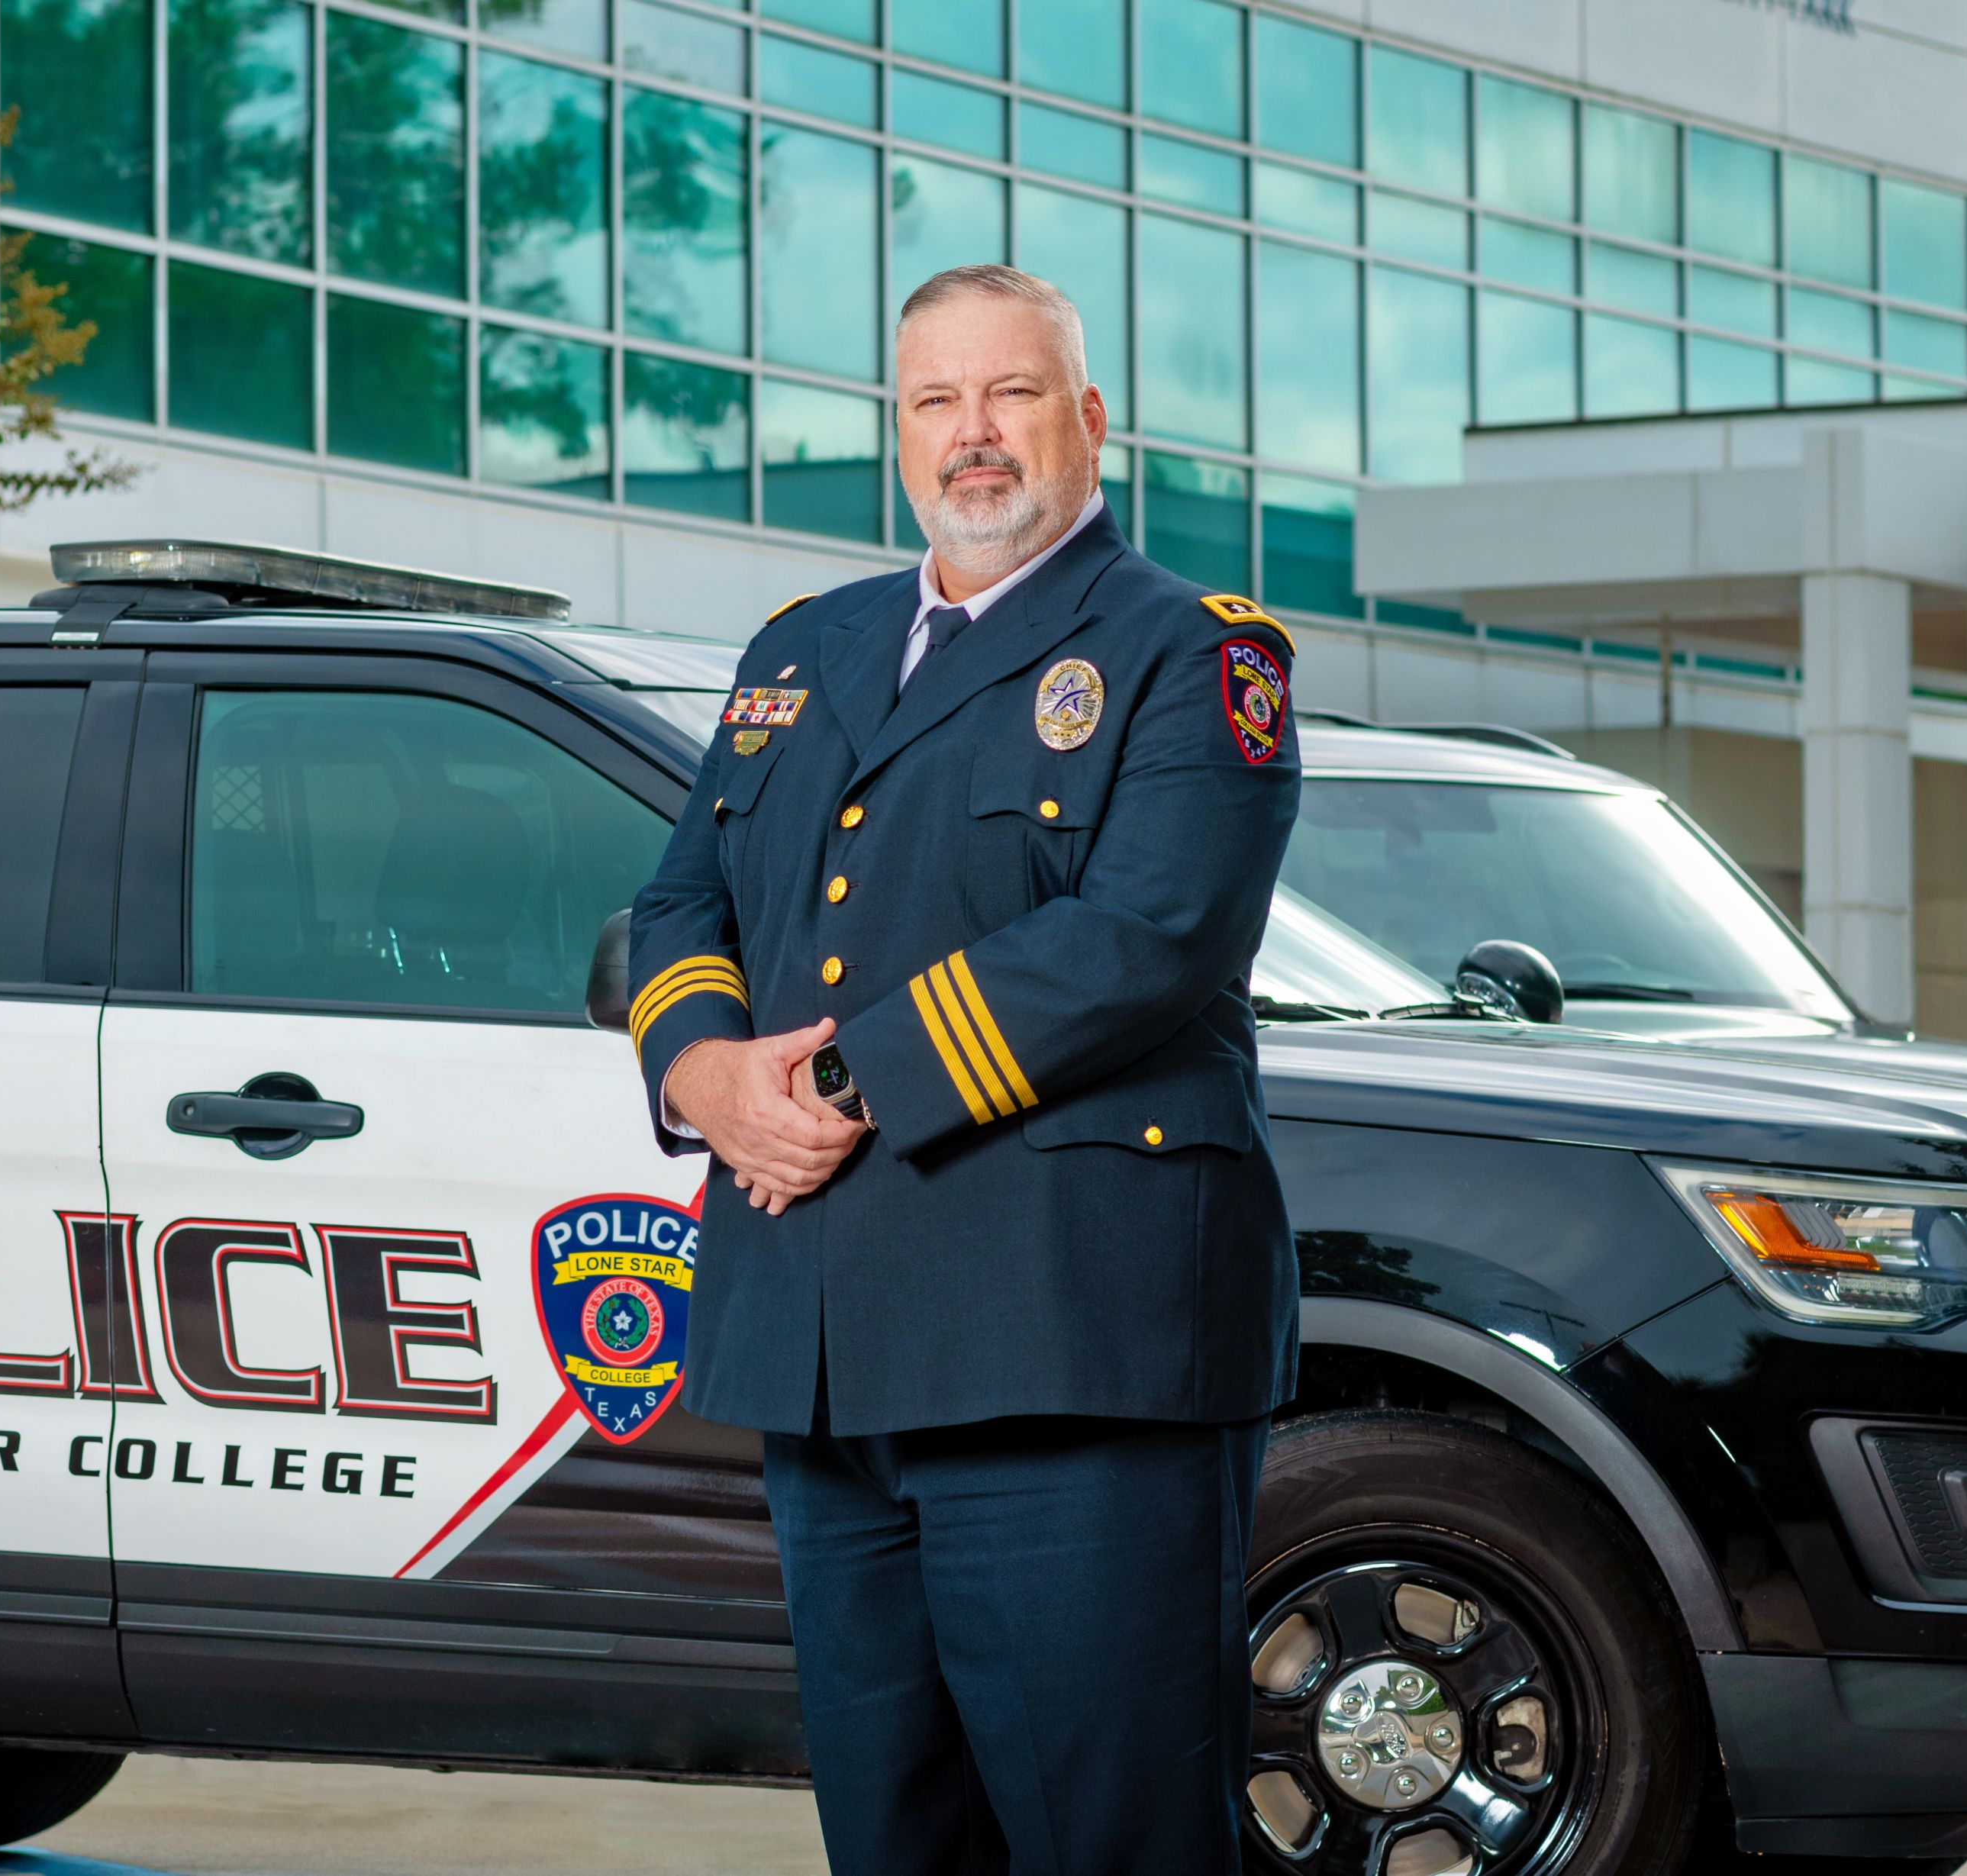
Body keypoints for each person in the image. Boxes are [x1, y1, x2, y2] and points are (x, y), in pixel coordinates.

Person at [625, 263, 1301, 1876]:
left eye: (1007, 395)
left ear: (1084, 420)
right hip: (824, 1342)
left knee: (1108, 1837)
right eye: (934, 400)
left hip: (1066, 1344)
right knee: (893, 1838)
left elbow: (1145, 934)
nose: (970, 435)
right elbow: (679, 898)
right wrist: (705, 1075)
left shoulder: (1190, 654)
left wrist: (830, 1088)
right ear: (897, 431)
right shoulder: (806, 644)